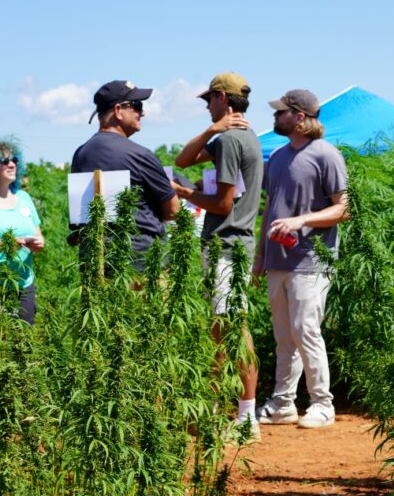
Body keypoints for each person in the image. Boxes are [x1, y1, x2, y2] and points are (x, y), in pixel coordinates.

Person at [173, 72, 264, 439]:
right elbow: (184, 158)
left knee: (232, 330)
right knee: (222, 328)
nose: (207, 107)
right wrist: (211, 131)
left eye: (209, 100)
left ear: (223, 100)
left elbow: (223, 204)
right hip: (232, 245)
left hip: (228, 246)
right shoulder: (242, 137)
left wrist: (183, 193)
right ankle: (225, 410)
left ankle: (245, 418)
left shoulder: (230, 141)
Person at [253, 90, 348, 429]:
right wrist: (260, 255)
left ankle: (323, 404)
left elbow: (343, 208)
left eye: (281, 113)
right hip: (278, 260)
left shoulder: (326, 154)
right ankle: (283, 404)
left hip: (311, 259)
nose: (275, 118)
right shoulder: (277, 157)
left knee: (304, 329)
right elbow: (270, 210)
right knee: (283, 335)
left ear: (300, 116)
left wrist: (301, 220)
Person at [70, 80, 179, 269]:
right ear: (118, 110)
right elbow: (173, 210)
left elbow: (81, 217)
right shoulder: (139, 155)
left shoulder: (81, 154)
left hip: (95, 262)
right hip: (141, 264)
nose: (142, 113)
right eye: (137, 106)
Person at [0, 140, 44, 324]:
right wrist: (4, 243)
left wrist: (38, 244)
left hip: (23, 284)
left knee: (23, 343)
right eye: (4, 161)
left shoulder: (24, 197)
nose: (11, 164)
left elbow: (39, 236)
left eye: (14, 160)